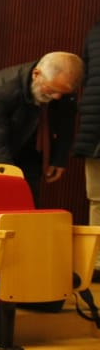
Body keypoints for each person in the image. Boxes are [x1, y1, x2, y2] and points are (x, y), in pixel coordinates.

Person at [0, 52, 81, 203]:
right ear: (36, 74)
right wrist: (14, 182)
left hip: (30, 152)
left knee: (27, 207)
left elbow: (66, 123)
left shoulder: (62, 90)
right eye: (51, 90)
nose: (56, 97)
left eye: (62, 93)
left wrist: (59, 159)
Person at [78, 21, 100, 228]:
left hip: (93, 130)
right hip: (94, 130)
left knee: (96, 199)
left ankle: (97, 256)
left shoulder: (94, 32)